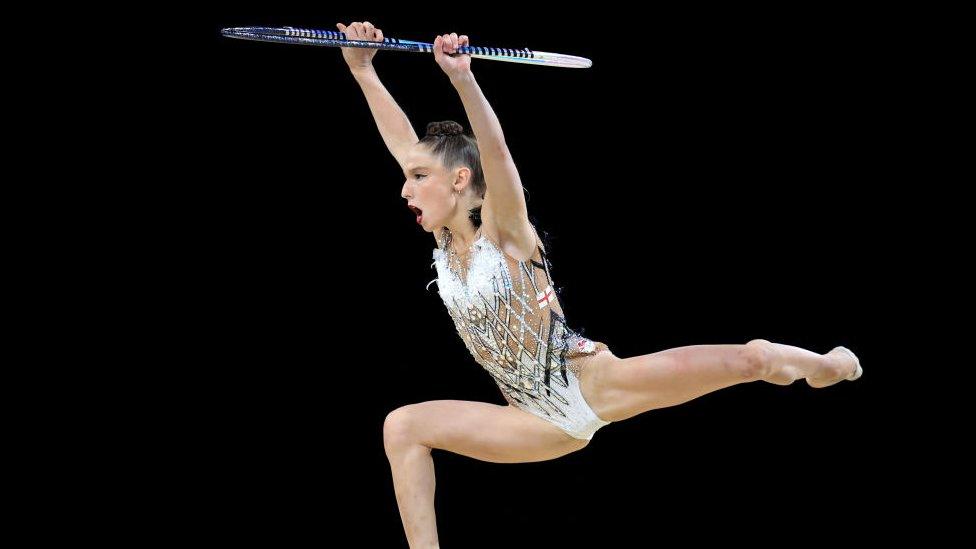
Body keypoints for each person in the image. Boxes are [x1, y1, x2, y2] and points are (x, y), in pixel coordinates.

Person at [336, 21, 863, 548]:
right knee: (402, 426)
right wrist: (363, 70)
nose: (405, 188)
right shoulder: (447, 246)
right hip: (530, 421)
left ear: (459, 181)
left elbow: (496, 155)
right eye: (408, 177)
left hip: (593, 384)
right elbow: (404, 145)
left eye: (419, 178)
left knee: (754, 360)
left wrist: (462, 80)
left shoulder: (507, 231)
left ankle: (827, 366)